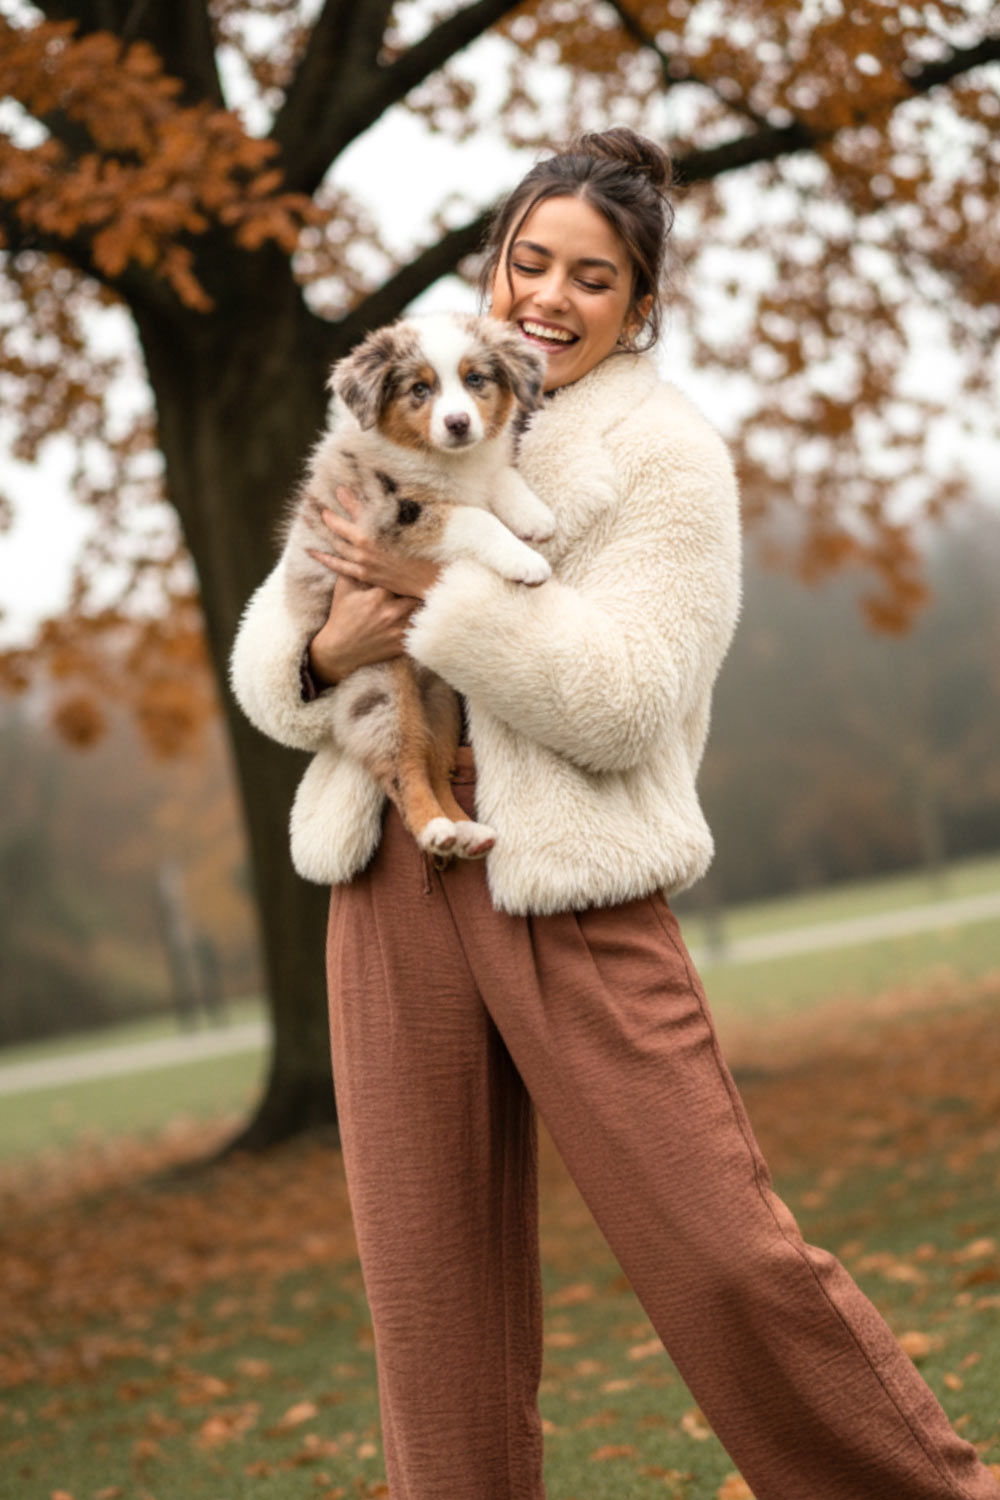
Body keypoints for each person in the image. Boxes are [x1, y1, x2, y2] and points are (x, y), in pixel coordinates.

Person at [230, 128, 1000, 1500]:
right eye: (529, 261)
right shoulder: (414, 395)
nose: (548, 296)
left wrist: (432, 603)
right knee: (430, 1306)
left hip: (566, 877)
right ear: (494, 264)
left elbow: (626, 702)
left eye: (593, 278)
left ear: (640, 306)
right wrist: (326, 651)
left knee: (719, 1250)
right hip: (388, 860)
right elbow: (275, 661)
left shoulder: (666, 458)